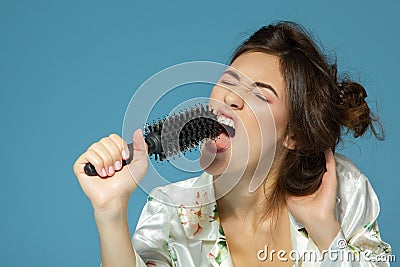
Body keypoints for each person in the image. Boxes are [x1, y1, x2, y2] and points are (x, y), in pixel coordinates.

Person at [73, 21, 392, 266]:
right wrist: (110, 212)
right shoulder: (172, 212)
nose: (230, 98)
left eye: (259, 95)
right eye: (227, 81)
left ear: (292, 135)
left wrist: (326, 231)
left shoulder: (341, 191)